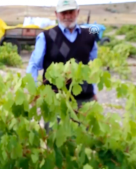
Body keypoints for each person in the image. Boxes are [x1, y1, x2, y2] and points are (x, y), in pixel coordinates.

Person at [26, 0, 98, 130]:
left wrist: (94, 91)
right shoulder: (46, 37)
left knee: (84, 143)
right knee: (55, 143)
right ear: (56, 14)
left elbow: (93, 65)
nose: (67, 16)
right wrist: (34, 93)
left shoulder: (89, 36)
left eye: (71, 12)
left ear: (78, 12)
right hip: (55, 101)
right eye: (63, 12)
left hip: (84, 100)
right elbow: (34, 66)